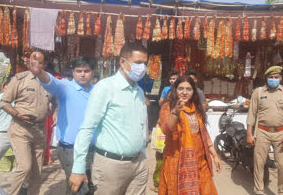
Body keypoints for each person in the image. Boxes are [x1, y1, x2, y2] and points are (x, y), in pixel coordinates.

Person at [69, 42, 149, 195]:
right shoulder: (105, 88)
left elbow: (141, 125)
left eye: (145, 63)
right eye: (138, 63)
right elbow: (87, 128)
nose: (142, 68)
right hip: (112, 166)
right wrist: (78, 168)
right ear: (122, 61)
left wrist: (143, 153)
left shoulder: (138, 91)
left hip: (138, 164)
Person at [28, 56, 96, 195]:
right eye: (79, 71)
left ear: (93, 72)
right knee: (79, 187)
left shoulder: (98, 91)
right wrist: (40, 73)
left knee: (88, 184)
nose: (82, 74)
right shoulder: (66, 87)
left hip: (94, 148)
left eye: (86, 71)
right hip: (70, 149)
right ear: (73, 72)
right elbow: (51, 82)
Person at [158, 76, 222, 195]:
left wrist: (214, 155)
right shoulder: (168, 107)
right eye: (181, 88)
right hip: (177, 161)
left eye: (189, 89)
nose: (184, 92)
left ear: (194, 91)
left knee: (206, 190)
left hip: (200, 161)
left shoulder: (196, 108)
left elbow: (203, 133)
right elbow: (166, 130)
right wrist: (175, 113)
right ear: (175, 90)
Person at [0, 50, 52, 195]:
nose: (36, 64)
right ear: (28, 62)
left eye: (40, 62)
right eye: (32, 61)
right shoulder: (19, 79)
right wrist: (17, 114)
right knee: (24, 167)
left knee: (37, 172)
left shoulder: (49, 81)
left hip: (40, 131)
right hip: (21, 130)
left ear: (45, 64)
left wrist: (53, 111)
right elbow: (4, 102)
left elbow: (55, 101)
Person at [247, 66, 283, 195]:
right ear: (266, 78)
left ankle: (282, 191)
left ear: (280, 78)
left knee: (282, 165)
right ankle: (259, 190)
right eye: (271, 77)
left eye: (276, 77)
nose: (273, 80)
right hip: (262, 132)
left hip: (281, 133)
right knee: (259, 163)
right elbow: (251, 114)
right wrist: (249, 134)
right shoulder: (258, 92)